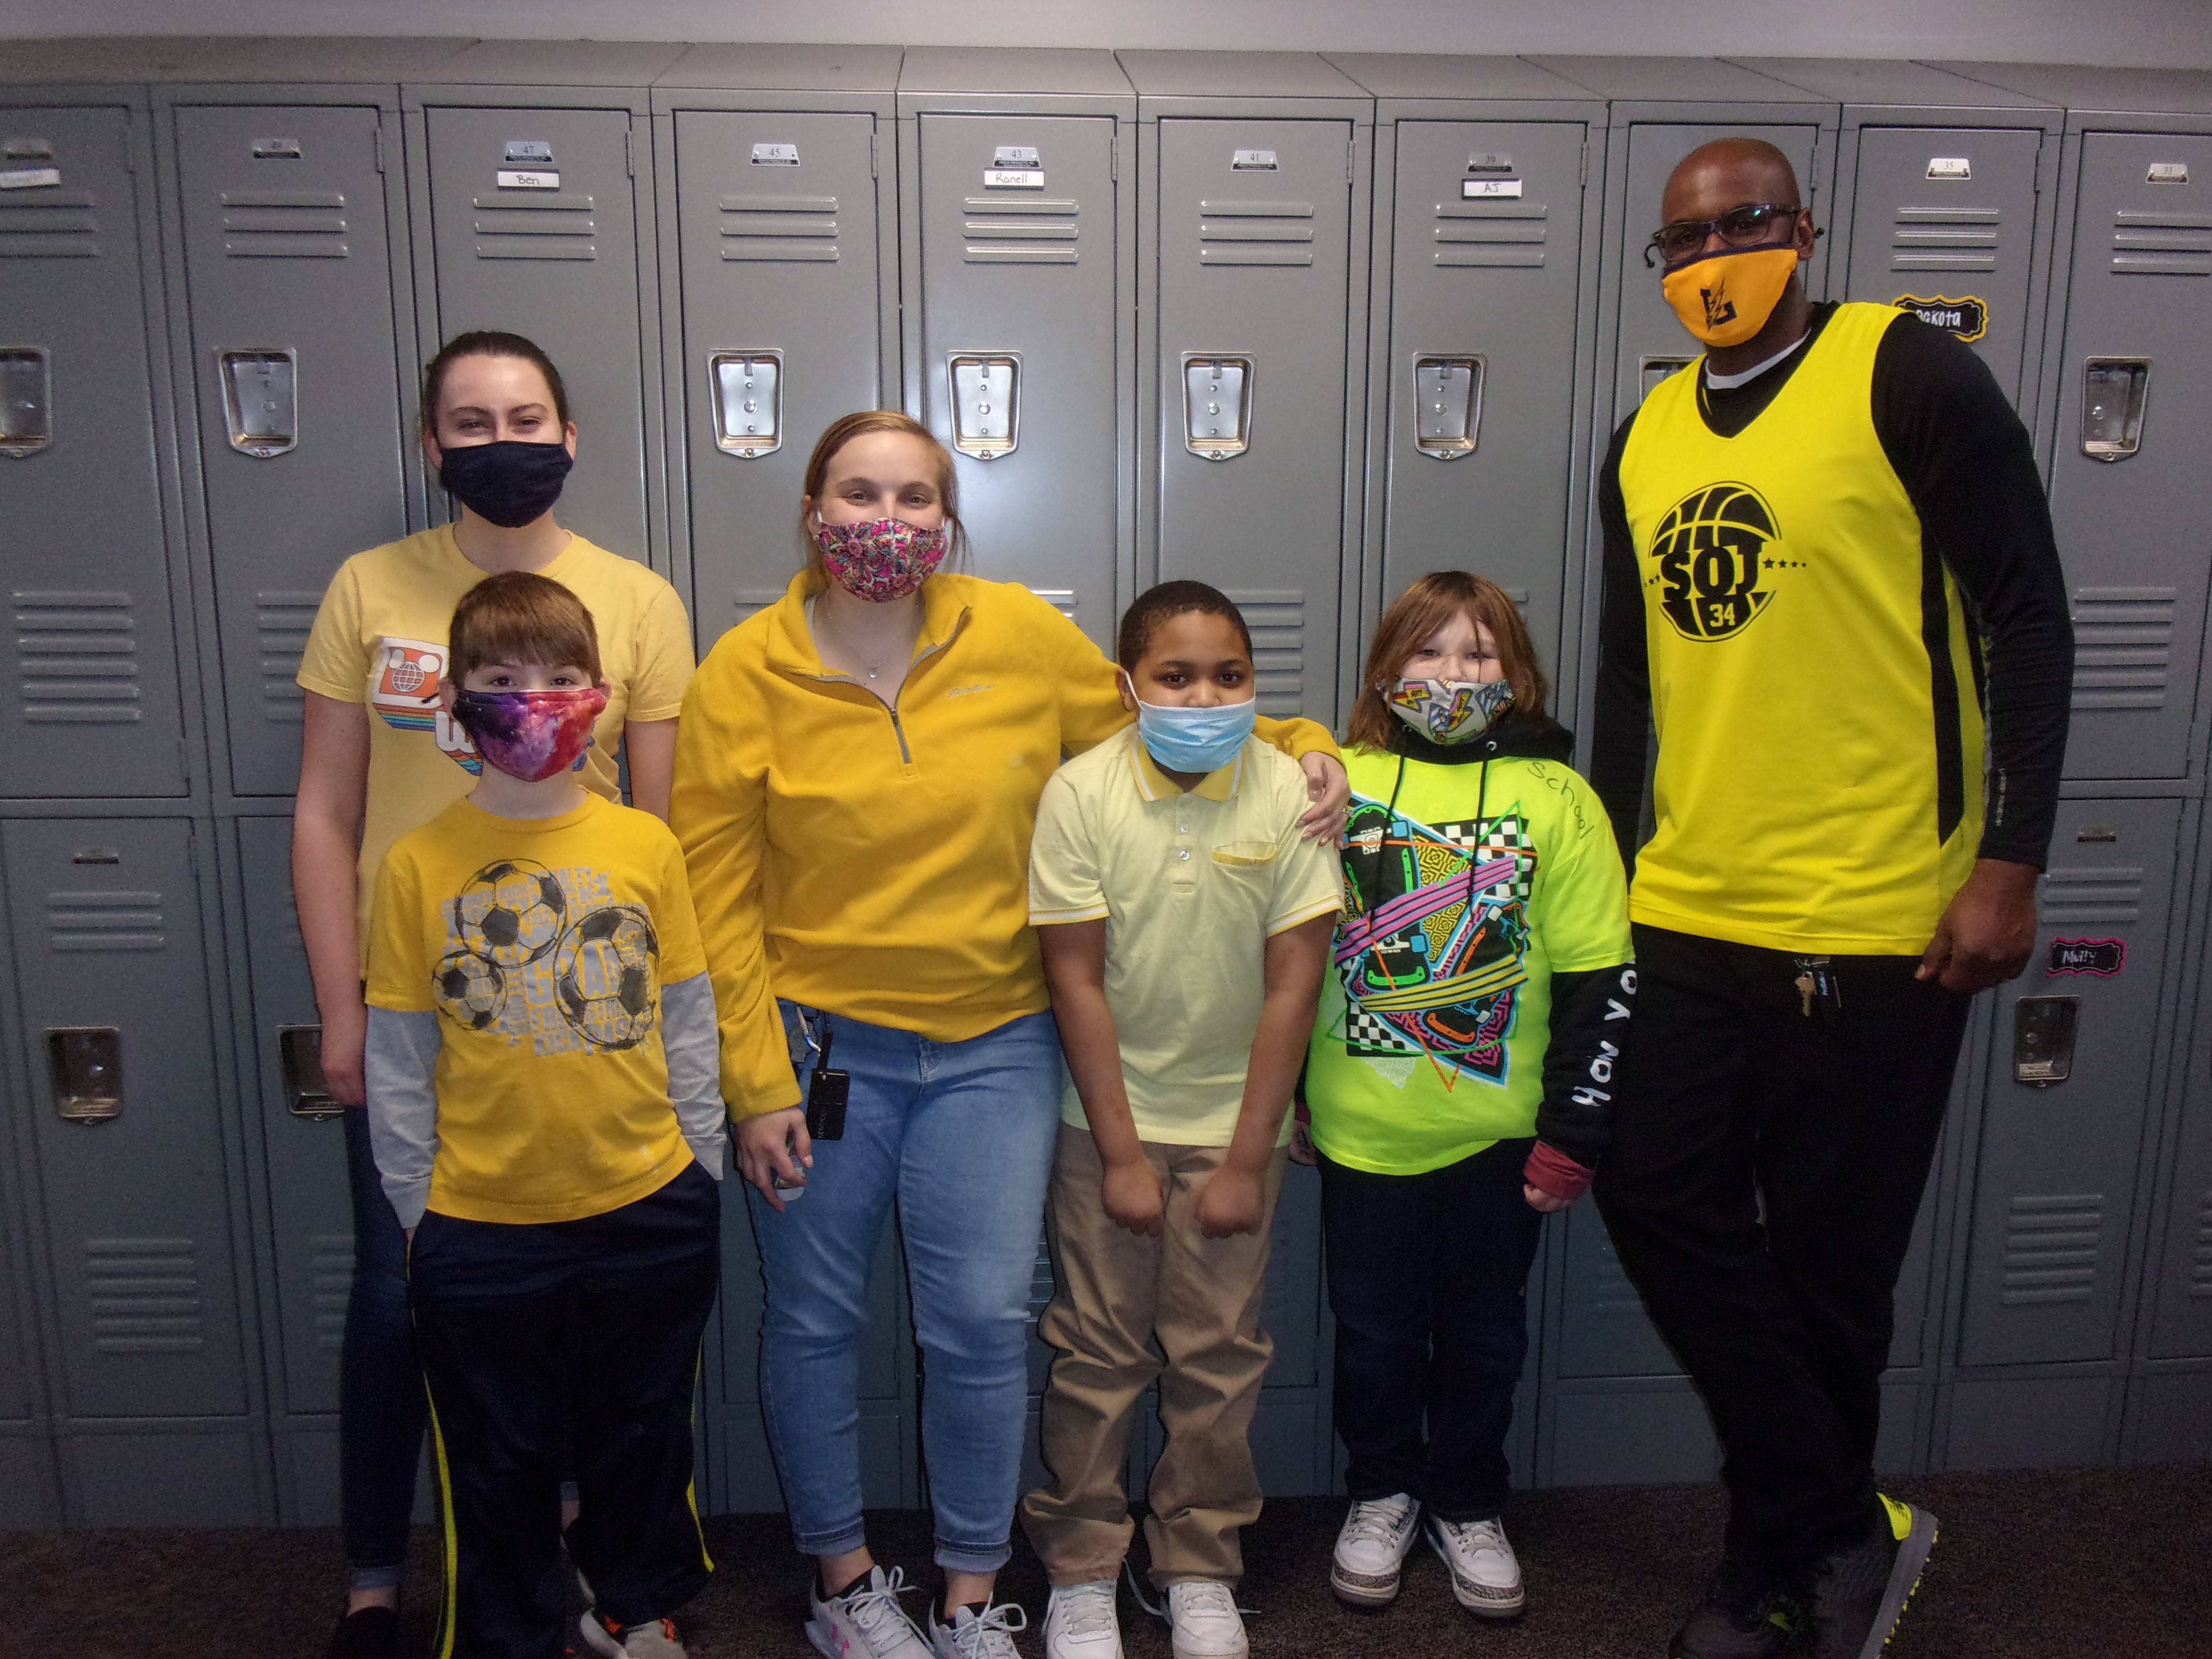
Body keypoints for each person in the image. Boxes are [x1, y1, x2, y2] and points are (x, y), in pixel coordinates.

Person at [668, 411, 1349, 1659]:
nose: (889, 520)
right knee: (811, 1322)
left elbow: (1169, 711)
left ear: (949, 518)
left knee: (981, 1325)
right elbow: (714, 896)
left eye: (917, 496)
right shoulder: (739, 674)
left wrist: (1306, 746)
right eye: (861, 493)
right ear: (814, 511)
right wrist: (754, 1082)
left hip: (993, 1049)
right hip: (823, 1056)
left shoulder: (1019, 638)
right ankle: (842, 1586)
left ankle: (975, 1593)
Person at [1587, 139, 2073, 1659]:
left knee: (1826, 1266)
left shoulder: (1907, 373)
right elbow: (1629, 676)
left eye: (1744, 224)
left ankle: (1776, 1567)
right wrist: (1604, 868)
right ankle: (1840, 1512)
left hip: (1877, 915)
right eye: (1685, 240)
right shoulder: (1647, 431)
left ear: (1803, 230)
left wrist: (2012, 858)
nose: (1715, 256)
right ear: (1662, 267)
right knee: (1654, 1191)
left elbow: (2028, 616)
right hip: (1686, 902)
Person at [293, 331, 697, 1659]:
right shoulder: (372, 585)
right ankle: (375, 1575)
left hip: (588, 1014)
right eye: (470, 420)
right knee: (405, 1292)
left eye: (526, 414)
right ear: (433, 447)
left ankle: (596, 1572)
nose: (501, 438)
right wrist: (341, 1009)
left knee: (592, 1313)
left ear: (570, 436)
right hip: (423, 1001)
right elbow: (325, 807)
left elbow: (659, 818)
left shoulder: (636, 597)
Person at [364, 572, 723, 1659]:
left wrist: (696, 1167)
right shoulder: (418, 862)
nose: (538, 699)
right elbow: (398, 1051)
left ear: (602, 696)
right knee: (497, 1450)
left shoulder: (644, 846)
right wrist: (417, 1206)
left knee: (644, 1430)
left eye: (564, 678)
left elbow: (689, 1017)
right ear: (459, 704)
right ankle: (512, 1633)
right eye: (504, 680)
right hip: (480, 1221)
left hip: (648, 1200)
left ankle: (640, 1605)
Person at [1018, 582, 1343, 1659]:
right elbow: (1077, 984)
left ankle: (1199, 1565)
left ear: (1257, 686)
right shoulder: (1081, 791)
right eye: (1176, 676)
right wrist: (1119, 1155)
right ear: (1127, 687)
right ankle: (1081, 1570)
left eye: (1231, 676)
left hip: (1233, 1128)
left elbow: (1294, 983)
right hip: (1102, 1124)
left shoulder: (1288, 794)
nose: (1205, 695)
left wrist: (1248, 1158)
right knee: (1097, 1352)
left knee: (1218, 1356)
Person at [1304, 572, 1635, 1623]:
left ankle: (1468, 1502)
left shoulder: (1557, 799)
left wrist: (1577, 1129)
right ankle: (1384, 1492)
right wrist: (1287, 1109)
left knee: (1488, 1335)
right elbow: (1285, 959)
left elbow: (1599, 978)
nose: (1454, 674)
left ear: (1517, 673)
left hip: (1501, 1141)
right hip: (1363, 1137)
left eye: (1480, 654)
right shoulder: (1335, 784)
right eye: (1430, 651)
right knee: (1373, 1334)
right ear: (1387, 670)